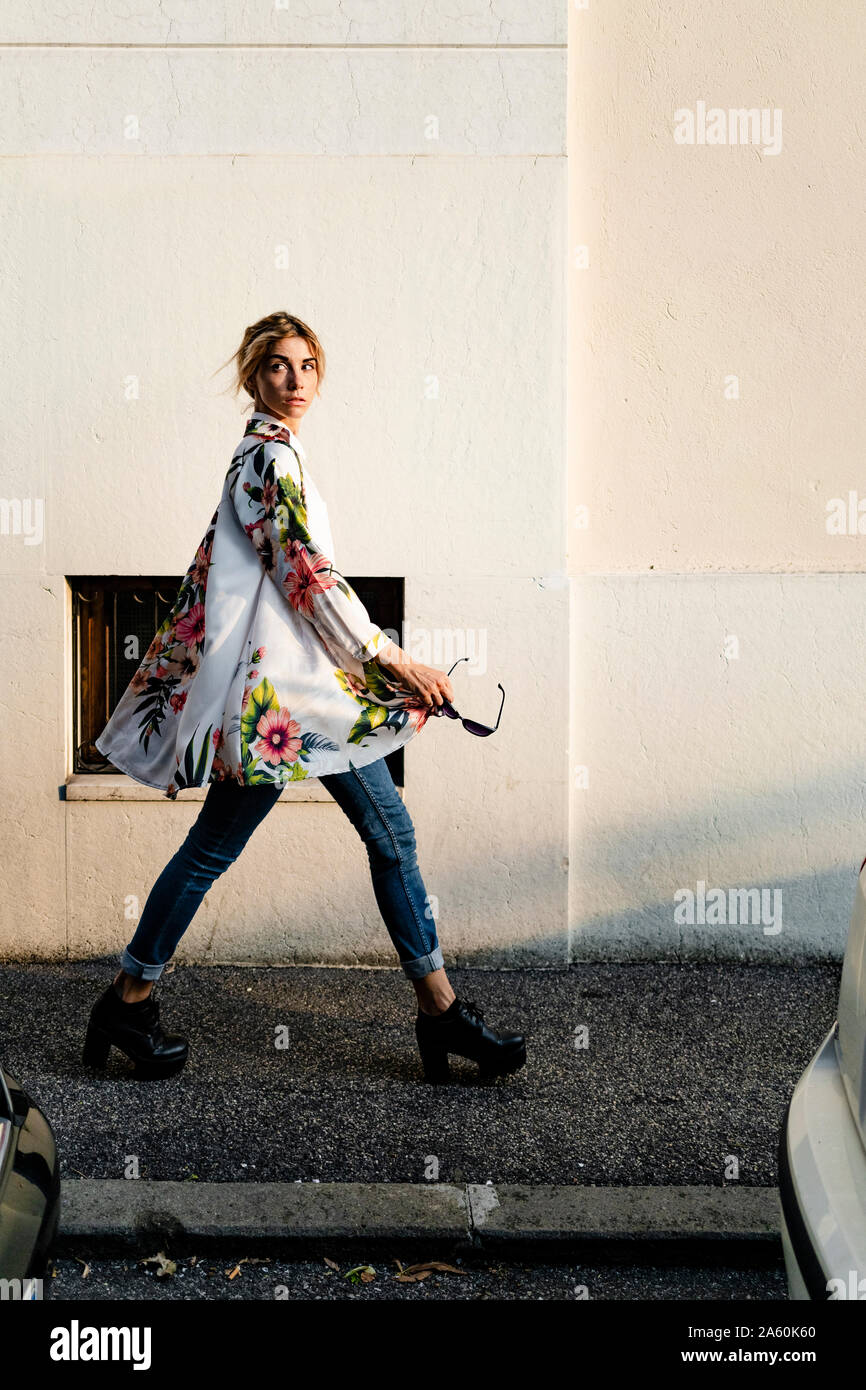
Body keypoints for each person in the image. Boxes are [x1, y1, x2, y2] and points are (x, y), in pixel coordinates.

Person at [84, 311, 526, 1085]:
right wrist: (389, 656)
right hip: (290, 709)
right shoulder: (267, 461)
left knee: (347, 840)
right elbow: (307, 576)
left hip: (293, 701)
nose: (296, 382)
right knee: (344, 840)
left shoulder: (275, 459)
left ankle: (437, 1011)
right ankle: (438, 1015)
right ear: (253, 377)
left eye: (309, 366)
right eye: (280, 367)